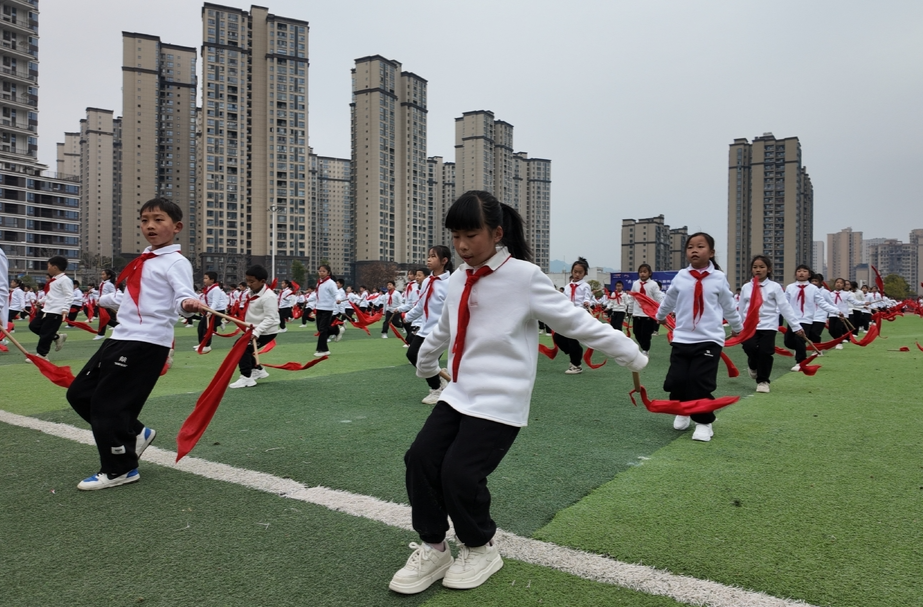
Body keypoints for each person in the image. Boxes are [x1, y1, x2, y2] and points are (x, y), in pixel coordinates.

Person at [391, 191, 647, 594]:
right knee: (420, 459)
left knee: (460, 472)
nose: (461, 246)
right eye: (455, 235)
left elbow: (575, 321)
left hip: (500, 398)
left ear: (496, 233)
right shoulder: (458, 278)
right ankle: (434, 546)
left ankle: (480, 547)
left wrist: (629, 351)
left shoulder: (525, 277)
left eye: (470, 235)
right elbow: (443, 328)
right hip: (458, 392)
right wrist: (426, 363)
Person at [65, 198, 202, 490]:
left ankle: (120, 468)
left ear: (176, 227)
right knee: (80, 394)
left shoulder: (176, 262)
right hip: (121, 337)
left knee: (107, 405)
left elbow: (182, 297)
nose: (150, 225)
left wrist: (189, 305)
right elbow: (135, 296)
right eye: (144, 220)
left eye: (158, 219)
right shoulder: (143, 259)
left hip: (146, 341)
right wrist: (104, 299)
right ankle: (136, 434)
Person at [655, 232, 743, 442]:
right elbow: (670, 299)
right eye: (690, 247)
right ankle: (683, 409)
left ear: (711, 253)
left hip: (709, 339)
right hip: (682, 338)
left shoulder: (719, 279)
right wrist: (659, 316)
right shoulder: (681, 276)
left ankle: (704, 422)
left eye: (700, 246)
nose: (694, 250)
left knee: (699, 381)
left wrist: (737, 326)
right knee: (676, 381)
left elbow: (729, 306)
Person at [738, 255, 805, 394]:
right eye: (755, 267)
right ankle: (753, 365)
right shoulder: (746, 287)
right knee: (749, 347)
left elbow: (784, 306)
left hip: (768, 325)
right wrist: (737, 326)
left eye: (762, 267)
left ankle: (763, 381)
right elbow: (741, 307)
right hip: (749, 326)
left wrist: (796, 326)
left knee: (765, 352)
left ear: (769, 269)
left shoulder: (774, 287)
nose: (758, 270)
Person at [404, 246, 452, 405]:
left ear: (444, 261)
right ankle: (441, 379)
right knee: (412, 355)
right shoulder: (426, 282)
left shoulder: (451, 283)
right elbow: (421, 304)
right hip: (425, 328)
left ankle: (436, 389)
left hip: (441, 330)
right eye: (429, 256)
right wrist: (408, 317)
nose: (428, 259)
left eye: (433, 256)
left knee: (425, 359)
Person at [228, 265, 280, 389]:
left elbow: (270, 318)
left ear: (262, 281)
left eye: (252, 282)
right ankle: (258, 370)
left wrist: (257, 332)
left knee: (242, 349)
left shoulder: (269, 297)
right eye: (247, 281)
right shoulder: (250, 293)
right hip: (253, 329)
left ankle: (246, 378)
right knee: (240, 347)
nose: (249, 284)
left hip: (266, 331)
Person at [783, 265, 841, 371]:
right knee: (788, 341)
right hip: (792, 319)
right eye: (799, 271)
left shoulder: (813, 289)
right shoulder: (790, 287)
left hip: (806, 319)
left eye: (804, 271)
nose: (801, 273)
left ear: (809, 275)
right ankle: (800, 349)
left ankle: (801, 362)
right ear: (795, 274)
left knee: (799, 339)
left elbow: (822, 303)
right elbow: (783, 303)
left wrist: (836, 311)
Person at [552, 257, 594, 374]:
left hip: (578, 315)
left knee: (572, 339)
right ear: (572, 272)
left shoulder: (585, 286)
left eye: (580, 272)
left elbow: (587, 298)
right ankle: (574, 354)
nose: (577, 274)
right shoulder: (568, 286)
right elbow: (564, 299)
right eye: (575, 272)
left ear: (584, 273)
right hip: (567, 314)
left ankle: (576, 365)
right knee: (558, 337)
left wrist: (587, 302)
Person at [28, 256, 74, 358]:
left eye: (48, 266)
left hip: (56, 311)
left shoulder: (65, 280)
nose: (47, 268)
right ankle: (57, 337)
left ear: (55, 267)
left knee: (45, 333)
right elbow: (51, 294)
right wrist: (40, 301)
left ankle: (42, 355)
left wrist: (65, 309)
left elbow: (69, 295)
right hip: (47, 309)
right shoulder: (53, 280)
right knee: (33, 326)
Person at [628, 263, 661, 355]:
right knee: (636, 332)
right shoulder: (635, 284)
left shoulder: (653, 284)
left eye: (645, 272)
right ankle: (644, 347)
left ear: (649, 273)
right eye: (640, 272)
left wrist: (662, 310)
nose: (642, 274)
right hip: (637, 313)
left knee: (646, 333)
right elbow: (632, 298)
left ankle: (645, 350)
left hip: (648, 314)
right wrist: (630, 311)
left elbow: (658, 298)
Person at [195, 271, 227, 353]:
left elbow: (215, 302)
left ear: (212, 280)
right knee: (201, 326)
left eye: (206, 278)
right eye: (204, 278)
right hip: (210, 310)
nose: (204, 280)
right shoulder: (209, 288)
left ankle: (207, 346)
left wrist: (210, 312)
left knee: (208, 328)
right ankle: (202, 343)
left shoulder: (216, 289)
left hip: (217, 311)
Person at [313, 265, 337, 356]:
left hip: (327, 309)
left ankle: (322, 350)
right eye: (320, 271)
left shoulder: (331, 283)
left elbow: (336, 293)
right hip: (319, 308)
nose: (321, 273)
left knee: (322, 329)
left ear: (328, 273)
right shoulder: (319, 283)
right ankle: (335, 331)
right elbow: (316, 294)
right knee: (320, 328)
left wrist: (338, 299)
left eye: (323, 271)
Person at [95, 269, 120, 340]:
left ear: (108, 276)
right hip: (101, 303)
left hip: (106, 303)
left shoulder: (109, 285)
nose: (102, 276)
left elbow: (114, 294)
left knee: (104, 318)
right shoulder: (102, 284)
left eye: (103, 274)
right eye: (101, 274)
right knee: (103, 318)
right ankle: (101, 334)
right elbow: (100, 293)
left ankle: (101, 334)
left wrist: (110, 302)